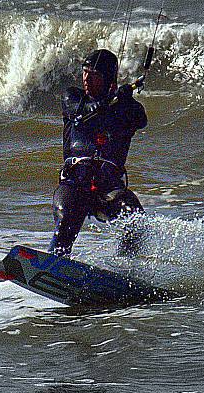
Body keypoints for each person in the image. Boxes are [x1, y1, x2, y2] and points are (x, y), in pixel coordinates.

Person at [49, 48, 148, 257]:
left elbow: (141, 119)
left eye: (93, 75)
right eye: (85, 72)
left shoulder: (123, 108)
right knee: (66, 217)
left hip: (107, 188)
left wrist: (125, 101)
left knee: (135, 218)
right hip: (75, 183)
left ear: (107, 78)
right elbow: (85, 113)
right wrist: (110, 102)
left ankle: (126, 270)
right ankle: (55, 261)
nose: (86, 78)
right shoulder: (73, 98)